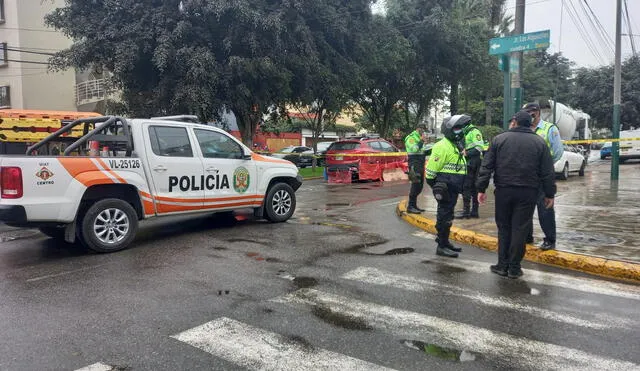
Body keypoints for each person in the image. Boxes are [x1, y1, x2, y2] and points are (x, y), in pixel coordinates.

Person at [476, 110, 556, 279]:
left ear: (515, 122)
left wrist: (481, 189)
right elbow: (548, 172)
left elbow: (486, 166)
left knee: (504, 228)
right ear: (530, 123)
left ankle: (502, 264)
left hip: (504, 190)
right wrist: (549, 194)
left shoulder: (500, 139)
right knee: (520, 228)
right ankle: (514, 267)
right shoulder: (539, 142)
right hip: (528, 192)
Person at [425, 115, 469, 258]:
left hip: (453, 187)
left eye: (460, 128)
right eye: (457, 128)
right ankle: (441, 246)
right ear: (448, 129)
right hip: (445, 187)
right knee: (444, 216)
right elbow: (430, 172)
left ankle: (445, 241)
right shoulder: (442, 146)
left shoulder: (455, 144)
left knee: (448, 215)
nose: (460, 131)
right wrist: (437, 187)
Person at [524, 102, 564, 250]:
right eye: (527, 113)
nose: (530, 115)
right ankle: (527, 236)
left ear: (538, 113)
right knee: (525, 208)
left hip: (543, 176)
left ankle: (549, 239)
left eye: (532, 113)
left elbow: (558, 151)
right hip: (527, 176)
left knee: (545, 208)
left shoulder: (549, 129)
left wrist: (545, 165)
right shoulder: (524, 129)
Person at [456, 119, 485, 219]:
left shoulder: (474, 131)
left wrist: (467, 153)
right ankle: (472, 212)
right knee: (471, 187)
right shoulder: (466, 132)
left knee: (467, 186)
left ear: (465, 124)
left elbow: (479, 147)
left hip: (473, 162)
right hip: (470, 161)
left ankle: (467, 212)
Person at [404, 123, 428, 214]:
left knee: (420, 186)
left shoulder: (419, 138)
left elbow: (422, 151)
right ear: (418, 129)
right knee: (415, 185)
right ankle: (410, 206)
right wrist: (421, 141)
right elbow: (414, 149)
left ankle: (414, 205)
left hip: (420, 163)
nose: (424, 132)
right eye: (423, 130)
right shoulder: (411, 137)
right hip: (414, 164)